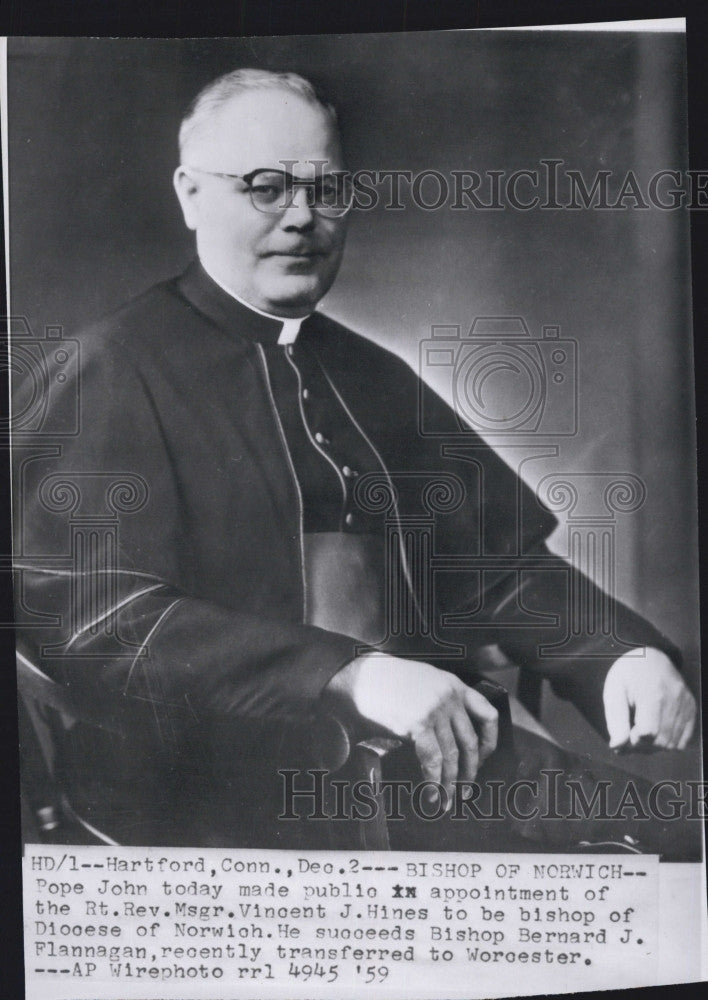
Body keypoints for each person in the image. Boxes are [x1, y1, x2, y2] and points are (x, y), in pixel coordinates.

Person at [14, 68, 697, 852]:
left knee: (678, 835)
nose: (302, 217)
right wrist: (351, 674)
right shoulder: (108, 369)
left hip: (427, 772)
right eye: (265, 186)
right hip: (214, 804)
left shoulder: (374, 378)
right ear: (191, 195)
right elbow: (99, 620)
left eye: (326, 187)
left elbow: (498, 566)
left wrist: (617, 655)